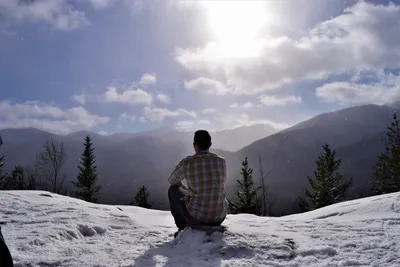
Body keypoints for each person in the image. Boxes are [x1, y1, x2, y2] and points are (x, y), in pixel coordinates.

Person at [167, 129, 228, 238]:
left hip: (197, 218)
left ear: (194, 145)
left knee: (173, 189)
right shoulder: (221, 161)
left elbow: (172, 180)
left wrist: (186, 189)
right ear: (210, 144)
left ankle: (183, 228)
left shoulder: (187, 162)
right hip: (219, 217)